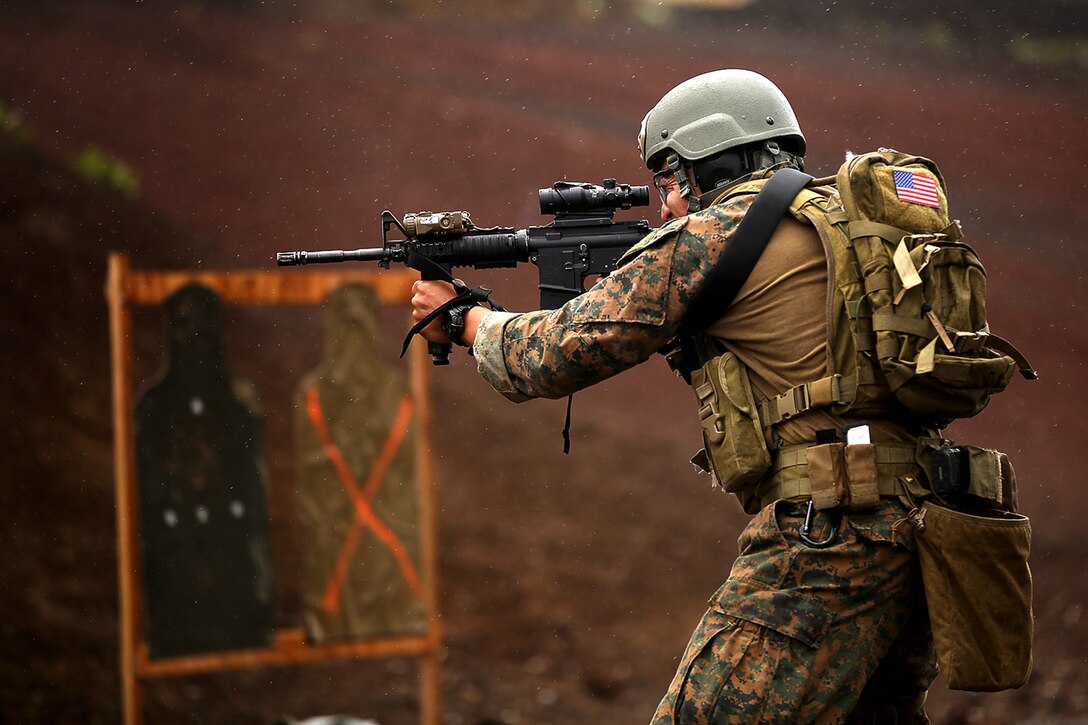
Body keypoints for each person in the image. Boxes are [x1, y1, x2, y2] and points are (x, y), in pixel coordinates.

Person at [410, 69, 938, 724]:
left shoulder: (712, 238)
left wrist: (465, 321)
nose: (662, 207)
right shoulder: (845, 223)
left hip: (826, 540)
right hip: (923, 537)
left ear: (708, 160)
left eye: (668, 180)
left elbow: (551, 357)